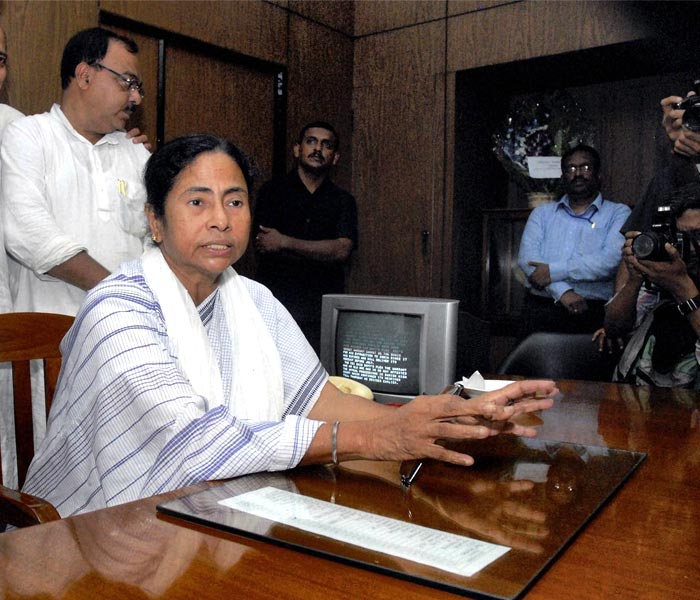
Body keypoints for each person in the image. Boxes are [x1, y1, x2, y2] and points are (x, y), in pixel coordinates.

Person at [22, 134, 556, 517]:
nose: (220, 219)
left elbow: (313, 400)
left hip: (214, 509)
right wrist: (380, 434)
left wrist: (434, 422)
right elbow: (191, 446)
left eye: (235, 201)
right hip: (94, 531)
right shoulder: (117, 311)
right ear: (155, 222)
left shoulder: (252, 299)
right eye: (197, 202)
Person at [0, 27, 150, 489]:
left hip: (122, 352)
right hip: (44, 356)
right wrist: (120, 291)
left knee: (119, 485)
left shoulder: (138, 159)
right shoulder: (28, 136)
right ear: (84, 74)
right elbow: (29, 235)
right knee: (37, 488)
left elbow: (158, 246)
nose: (136, 96)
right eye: (127, 81)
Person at [253, 121, 358, 352]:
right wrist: (320, 251)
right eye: (311, 141)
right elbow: (265, 244)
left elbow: (341, 250)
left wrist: (285, 242)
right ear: (297, 149)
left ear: (335, 157)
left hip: (321, 313)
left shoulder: (343, 201)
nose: (317, 149)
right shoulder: (272, 192)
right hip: (276, 307)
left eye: (326, 144)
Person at [517, 144, 631, 336]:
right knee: (528, 365)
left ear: (598, 175)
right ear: (563, 177)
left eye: (585, 167)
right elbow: (527, 261)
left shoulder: (618, 213)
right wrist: (562, 292)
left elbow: (609, 261)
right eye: (570, 168)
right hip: (541, 308)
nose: (577, 173)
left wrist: (552, 271)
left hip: (593, 312)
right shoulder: (542, 214)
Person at [602, 181, 700, 388]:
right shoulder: (665, 270)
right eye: (683, 236)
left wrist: (682, 288)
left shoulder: (674, 278)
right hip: (641, 397)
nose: (690, 248)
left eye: (698, 235)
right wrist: (635, 278)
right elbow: (614, 328)